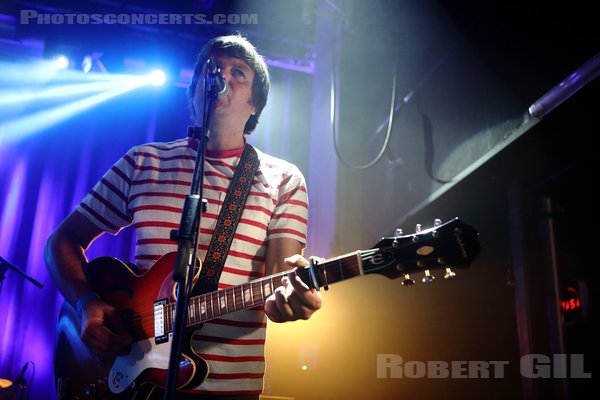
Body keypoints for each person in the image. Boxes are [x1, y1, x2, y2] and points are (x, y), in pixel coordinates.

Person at [45, 34, 322, 399]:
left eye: (237, 72)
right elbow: (61, 242)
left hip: (229, 389)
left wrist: (292, 299)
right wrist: (85, 303)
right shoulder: (144, 161)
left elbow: (278, 283)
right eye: (212, 70)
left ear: (255, 104)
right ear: (193, 93)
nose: (221, 76)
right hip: (132, 382)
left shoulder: (283, 179)